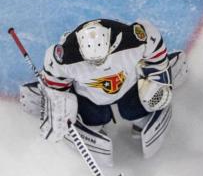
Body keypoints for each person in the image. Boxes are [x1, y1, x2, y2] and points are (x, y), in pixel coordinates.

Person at [20, 18, 187, 164]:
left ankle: (139, 122)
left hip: (128, 89)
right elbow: (57, 86)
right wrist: (58, 108)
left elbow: (154, 47)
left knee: (138, 109)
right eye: (92, 61)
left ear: (110, 44)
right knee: (94, 120)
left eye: (101, 59)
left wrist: (157, 81)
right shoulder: (66, 58)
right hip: (91, 98)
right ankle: (96, 129)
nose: (98, 65)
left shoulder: (131, 40)